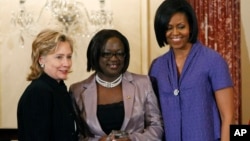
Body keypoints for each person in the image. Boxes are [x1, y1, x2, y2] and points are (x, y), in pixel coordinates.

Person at [148, 0, 235, 141]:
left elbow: (228, 117)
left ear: (191, 26)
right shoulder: (157, 67)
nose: (175, 33)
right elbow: (153, 118)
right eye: (168, 28)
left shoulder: (213, 60)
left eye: (181, 26)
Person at [69, 29, 163, 141]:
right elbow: (77, 136)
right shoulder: (77, 90)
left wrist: (132, 139)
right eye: (107, 54)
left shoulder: (143, 84)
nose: (114, 59)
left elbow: (157, 127)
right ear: (95, 54)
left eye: (119, 53)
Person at [17, 29, 78, 141]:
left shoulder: (58, 88)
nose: (66, 63)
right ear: (41, 60)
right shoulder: (38, 92)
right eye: (59, 57)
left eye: (69, 57)